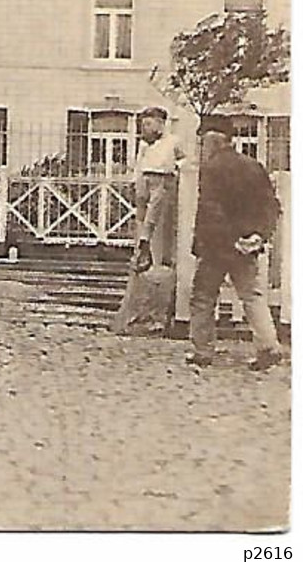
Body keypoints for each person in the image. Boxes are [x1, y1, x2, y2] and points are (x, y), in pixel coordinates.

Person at [186, 125, 285, 371]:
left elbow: (211, 210)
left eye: (204, 142)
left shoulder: (211, 169)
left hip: (217, 247)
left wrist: (228, 239)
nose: (202, 148)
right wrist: (258, 236)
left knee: (203, 297)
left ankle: (202, 351)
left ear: (215, 141)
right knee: (252, 296)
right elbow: (271, 206)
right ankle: (268, 346)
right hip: (247, 245)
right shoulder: (254, 166)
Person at [113, 107, 185, 334]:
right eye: (143, 124)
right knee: (143, 219)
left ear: (161, 124)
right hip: (145, 183)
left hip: (163, 181)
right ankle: (141, 243)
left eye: (149, 124)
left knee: (155, 225)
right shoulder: (144, 145)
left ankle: (146, 242)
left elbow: (185, 165)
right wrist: (136, 184)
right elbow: (138, 167)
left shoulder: (173, 142)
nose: (145, 129)